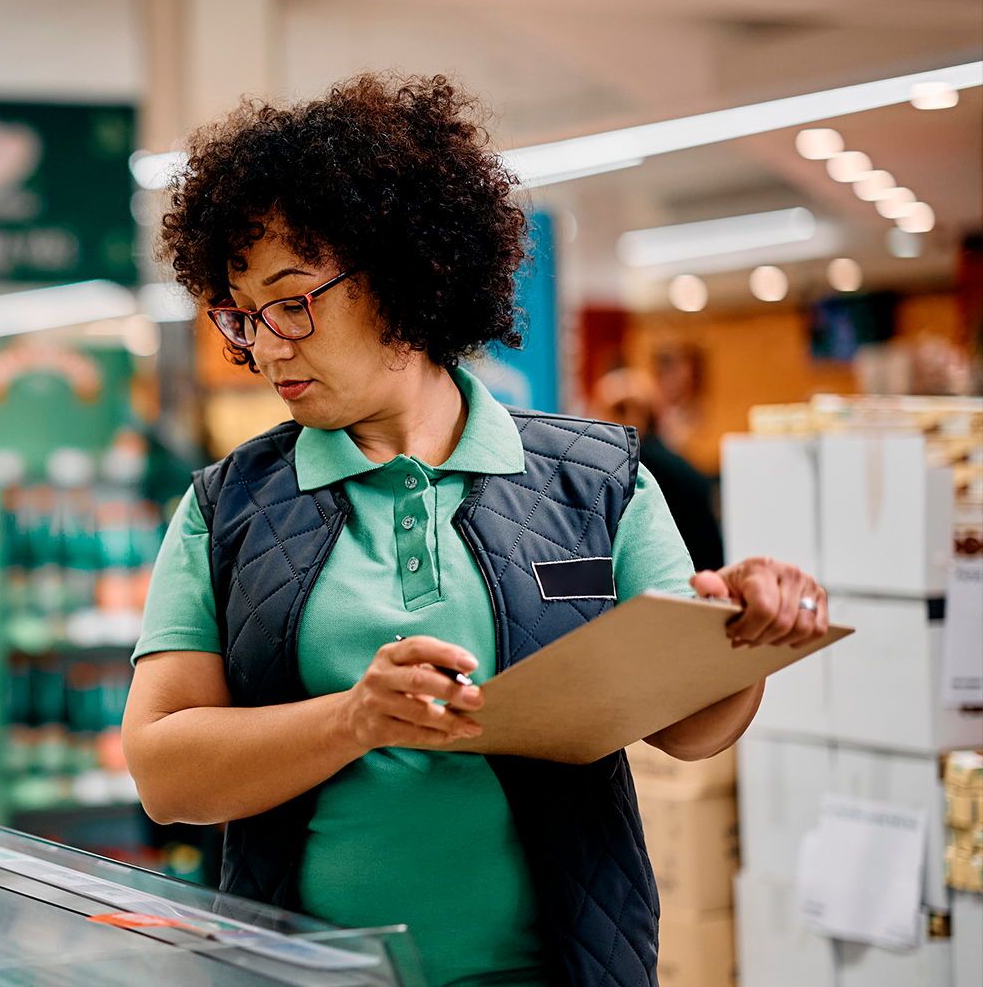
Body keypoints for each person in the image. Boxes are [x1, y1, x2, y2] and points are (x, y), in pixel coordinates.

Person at [121, 74, 829, 987]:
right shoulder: (229, 509)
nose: (267, 344)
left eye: (294, 301)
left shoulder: (597, 481)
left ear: (408, 276)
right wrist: (354, 720)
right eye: (242, 314)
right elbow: (165, 772)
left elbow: (689, 730)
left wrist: (741, 638)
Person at [593, 367, 725, 571]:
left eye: (605, 412)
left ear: (634, 413)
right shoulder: (671, 461)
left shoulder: (637, 468)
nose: (598, 421)